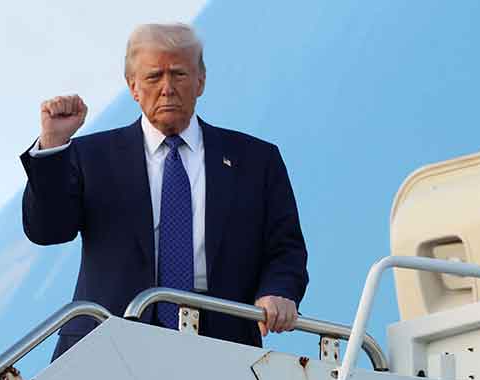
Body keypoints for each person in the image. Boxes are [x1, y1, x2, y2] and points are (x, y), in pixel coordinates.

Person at [20, 23, 308, 361]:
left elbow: (285, 248)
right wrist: (53, 146)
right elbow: (48, 231)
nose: (167, 88)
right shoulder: (91, 155)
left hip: (222, 347)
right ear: (133, 87)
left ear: (200, 82)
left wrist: (278, 291)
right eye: (154, 77)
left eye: (179, 74)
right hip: (109, 345)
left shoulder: (256, 160)